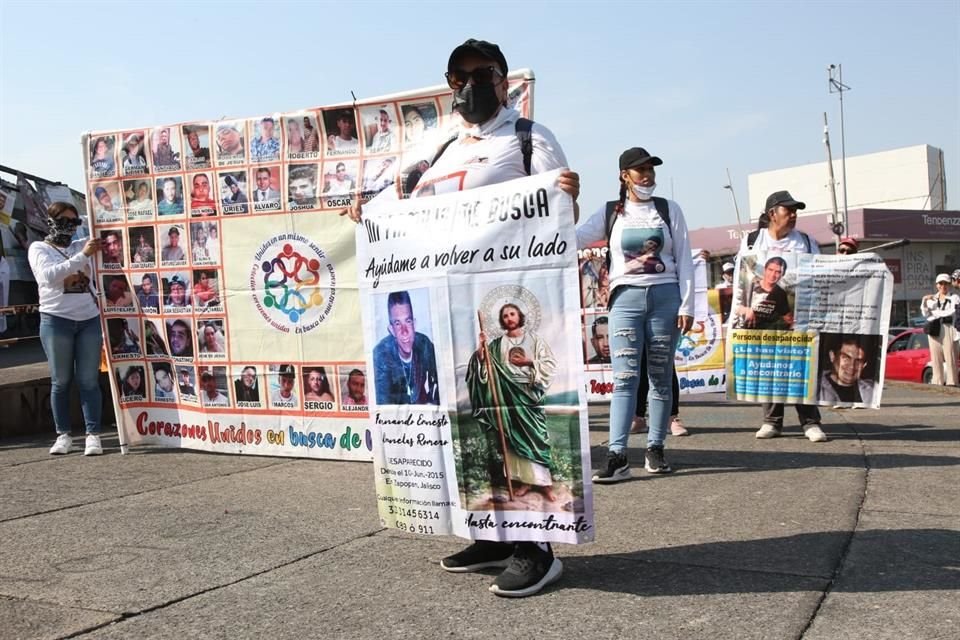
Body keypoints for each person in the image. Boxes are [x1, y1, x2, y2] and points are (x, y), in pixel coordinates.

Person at [345, 39, 581, 598]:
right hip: (450, 315)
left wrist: (566, 192)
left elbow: (558, 209)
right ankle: (491, 533)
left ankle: (536, 547)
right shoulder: (445, 144)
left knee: (514, 421)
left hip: (504, 308)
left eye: (483, 73)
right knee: (467, 423)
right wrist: (367, 210)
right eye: (459, 77)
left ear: (504, 81)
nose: (471, 85)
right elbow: (403, 198)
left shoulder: (528, 138)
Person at [577, 146, 694, 484]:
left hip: (665, 298)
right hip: (624, 300)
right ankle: (617, 455)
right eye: (640, 170)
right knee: (625, 379)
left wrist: (687, 306)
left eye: (651, 170)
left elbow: (684, 259)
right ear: (624, 176)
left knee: (659, 375)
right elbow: (571, 237)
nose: (647, 176)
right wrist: (557, 207)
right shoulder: (611, 212)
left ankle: (655, 449)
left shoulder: (669, 210)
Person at [741, 190, 826, 442]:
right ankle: (772, 421)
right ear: (771, 214)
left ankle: (810, 422)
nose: (793, 215)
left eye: (795, 210)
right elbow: (741, 278)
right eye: (787, 210)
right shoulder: (752, 241)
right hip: (763, 317)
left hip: (799, 315)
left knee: (800, 366)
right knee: (769, 366)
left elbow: (821, 275)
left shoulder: (807, 242)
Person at [29, 202, 104, 455]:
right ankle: (64, 434)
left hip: (88, 319)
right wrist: (82, 256)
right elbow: (47, 276)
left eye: (74, 222)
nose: (70, 227)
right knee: (60, 380)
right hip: (56, 319)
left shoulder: (78, 243)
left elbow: (103, 232)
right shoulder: (39, 248)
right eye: (64, 221)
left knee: (89, 380)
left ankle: (93, 433)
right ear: (50, 220)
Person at [466, 302, 559, 503]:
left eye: (512, 314)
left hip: (529, 395)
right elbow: (483, 365)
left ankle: (546, 484)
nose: (509, 318)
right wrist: (482, 348)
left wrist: (528, 362)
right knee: (513, 442)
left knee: (537, 439)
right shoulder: (497, 344)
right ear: (502, 320)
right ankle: (524, 482)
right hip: (506, 398)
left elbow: (550, 364)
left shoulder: (535, 340)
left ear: (520, 317)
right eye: (505, 315)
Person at [372, 291, 439, 405]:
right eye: (398, 324)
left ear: (414, 324)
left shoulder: (424, 345)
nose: (405, 332)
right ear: (391, 330)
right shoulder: (380, 356)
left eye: (408, 321)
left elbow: (442, 383)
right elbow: (382, 405)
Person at [734, 256, 793, 330]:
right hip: (744, 334)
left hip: (766, 336)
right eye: (770, 270)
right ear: (765, 270)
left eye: (778, 272)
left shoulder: (780, 293)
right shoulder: (750, 285)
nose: (773, 275)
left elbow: (787, 317)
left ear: (783, 274)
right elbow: (735, 308)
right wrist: (747, 310)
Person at [921, 273, 959, 386]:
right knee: (936, 357)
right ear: (937, 285)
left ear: (949, 285)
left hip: (948, 327)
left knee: (950, 357)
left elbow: (952, 311)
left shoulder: (954, 297)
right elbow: (925, 313)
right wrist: (924, 300)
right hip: (934, 329)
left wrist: (936, 313)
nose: (943, 286)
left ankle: (952, 382)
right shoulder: (932, 298)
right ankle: (937, 381)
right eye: (940, 283)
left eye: (946, 283)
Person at [818, 336, 876, 404]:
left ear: (864, 365)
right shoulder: (814, 389)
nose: (852, 366)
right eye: (846, 358)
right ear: (832, 356)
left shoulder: (872, 391)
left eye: (858, 361)